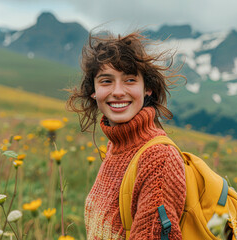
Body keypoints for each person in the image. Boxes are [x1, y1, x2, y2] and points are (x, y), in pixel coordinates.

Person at [67, 31, 186, 239]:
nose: (118, 91)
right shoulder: (116, 146)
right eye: (106, 81)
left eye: (130, 80)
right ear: (93, 91)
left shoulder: (158, 158)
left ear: (147, 88)